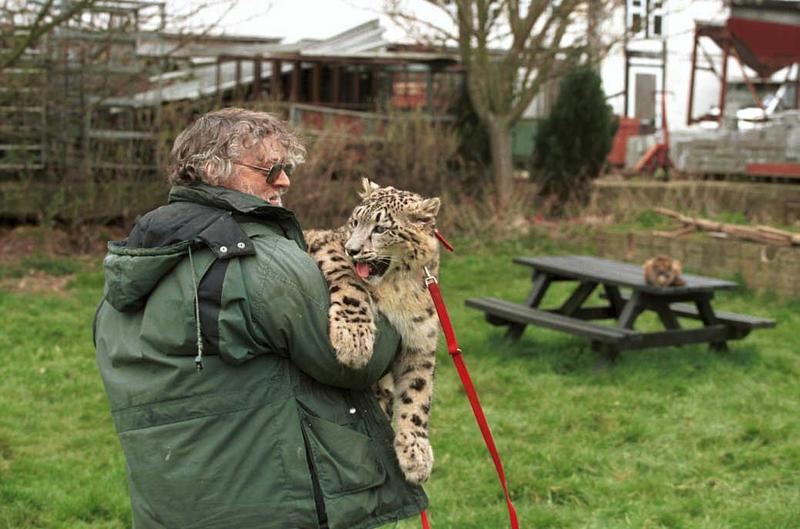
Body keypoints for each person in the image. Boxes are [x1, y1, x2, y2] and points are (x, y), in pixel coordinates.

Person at [93, 108, 428, 529]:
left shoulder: (129, 267)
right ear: (214, 171)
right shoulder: (265, 261)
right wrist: (401, 287)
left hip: (168, 509)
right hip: (276, 508)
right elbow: (358, 361)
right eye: (271, 169)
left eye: (285, 169)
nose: (284, 181)